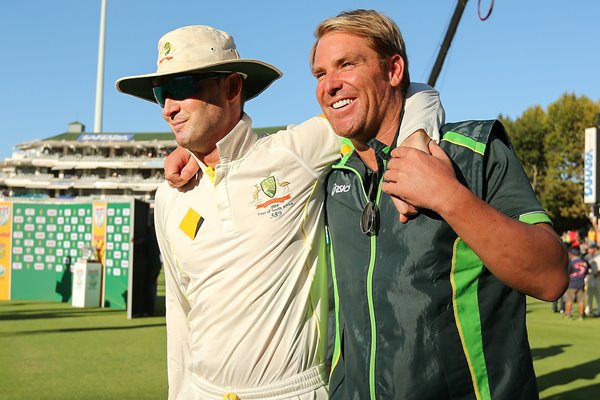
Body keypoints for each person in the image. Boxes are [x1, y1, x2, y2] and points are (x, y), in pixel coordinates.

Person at [117, 24, 443, 399]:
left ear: (233, 88)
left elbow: (407, 96)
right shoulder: (170, 195)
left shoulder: (295, 152)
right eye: (161, 94)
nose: (169, 108)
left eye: (181, 87)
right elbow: (179, 312)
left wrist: (417, 137)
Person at [311, 9, 569, 399]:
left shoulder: (475, 151)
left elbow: (550, 276)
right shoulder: (331, 177)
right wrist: (190, 155)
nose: (329, 84)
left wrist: (448, 195)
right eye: (319, 74)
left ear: (394, 70)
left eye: (347, 64)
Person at [565, 247, 589, 319]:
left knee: (569, 300)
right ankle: (581, 315)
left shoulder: (571, 262)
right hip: (581, 283)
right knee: (581, 301)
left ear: (572, 255)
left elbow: (567, 272)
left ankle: (568, 315)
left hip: (572, 283)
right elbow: (586, 272)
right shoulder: (584, 262)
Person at [584, 242, 600, 316]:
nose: (589, 250)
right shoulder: (587, 257)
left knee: (598, 295)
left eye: (590, 248)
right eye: (589, 249)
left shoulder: (598, 256)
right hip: (589, 278)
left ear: (594, 249)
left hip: (598, 278)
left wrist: (596, 274)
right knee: (589, 295)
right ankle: (588, 310)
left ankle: (598, 311)